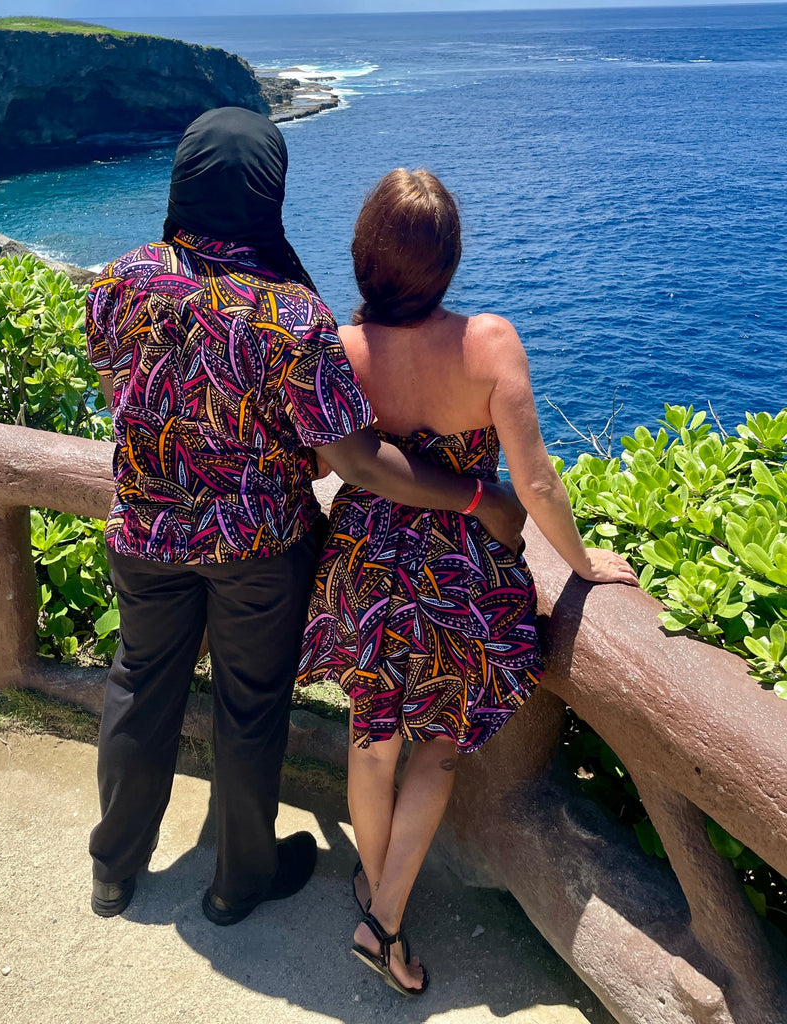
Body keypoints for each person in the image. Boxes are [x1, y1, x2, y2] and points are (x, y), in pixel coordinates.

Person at [85, 111, 526, 929]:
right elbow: (355, 461)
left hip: (146, 529)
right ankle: (237, 881)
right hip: (257, 546)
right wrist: (479, 497)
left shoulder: (120, 279)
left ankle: (113, 869)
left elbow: (119, 383)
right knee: (250, 707)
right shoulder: (289, 314)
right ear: (268, 195)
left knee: (139, 685)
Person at [297, 168, 638, 994]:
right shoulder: (488, 342)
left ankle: (378, 899)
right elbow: (538, 485)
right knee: (439, 748)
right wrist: (586, 566)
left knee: (371, 740)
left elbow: (319, 462)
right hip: (460, 571)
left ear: (364, 255)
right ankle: (382, 924)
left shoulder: (339, 350)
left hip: (366, 563)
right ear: (446, 261)